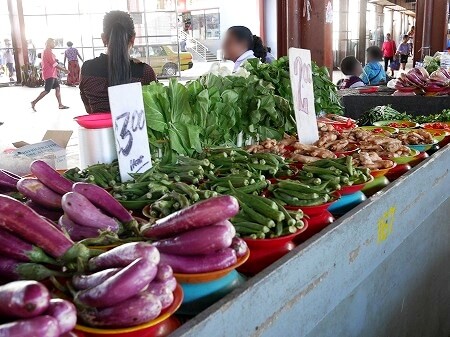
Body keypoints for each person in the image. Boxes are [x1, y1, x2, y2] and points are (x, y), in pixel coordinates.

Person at [79, 10, 157, 114]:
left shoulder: (87, 68)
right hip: (134, 130)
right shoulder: (145, 72)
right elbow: (154, 111)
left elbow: (88, 109)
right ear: (133, 38)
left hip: (99, 130)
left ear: (103, 38)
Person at [31, 38, 69, 111]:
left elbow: (53, 62)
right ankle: (34, 102)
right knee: (47, 90)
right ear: (49, 43)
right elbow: (53, 63)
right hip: (49, 74)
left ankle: (60, 104)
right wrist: (64, 70)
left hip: (52, 73)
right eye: (53, 43)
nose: (54, 44)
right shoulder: (47, 51)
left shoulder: (48, 51)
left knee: (57, 88)